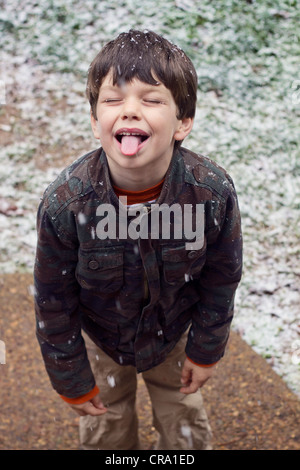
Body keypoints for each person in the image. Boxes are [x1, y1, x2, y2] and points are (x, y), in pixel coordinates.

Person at [34, 29, 243, 450]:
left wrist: (205, 350)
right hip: (102, 339)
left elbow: (222, 278)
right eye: (113, 100)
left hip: (174, 333)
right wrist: (71, 381)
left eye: (151, 99)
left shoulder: (211, 193)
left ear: (183, 122)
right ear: (96, 122)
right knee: (106, 429)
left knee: (183, 420)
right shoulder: (66, 204)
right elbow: (52, 299)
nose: (129, 111)